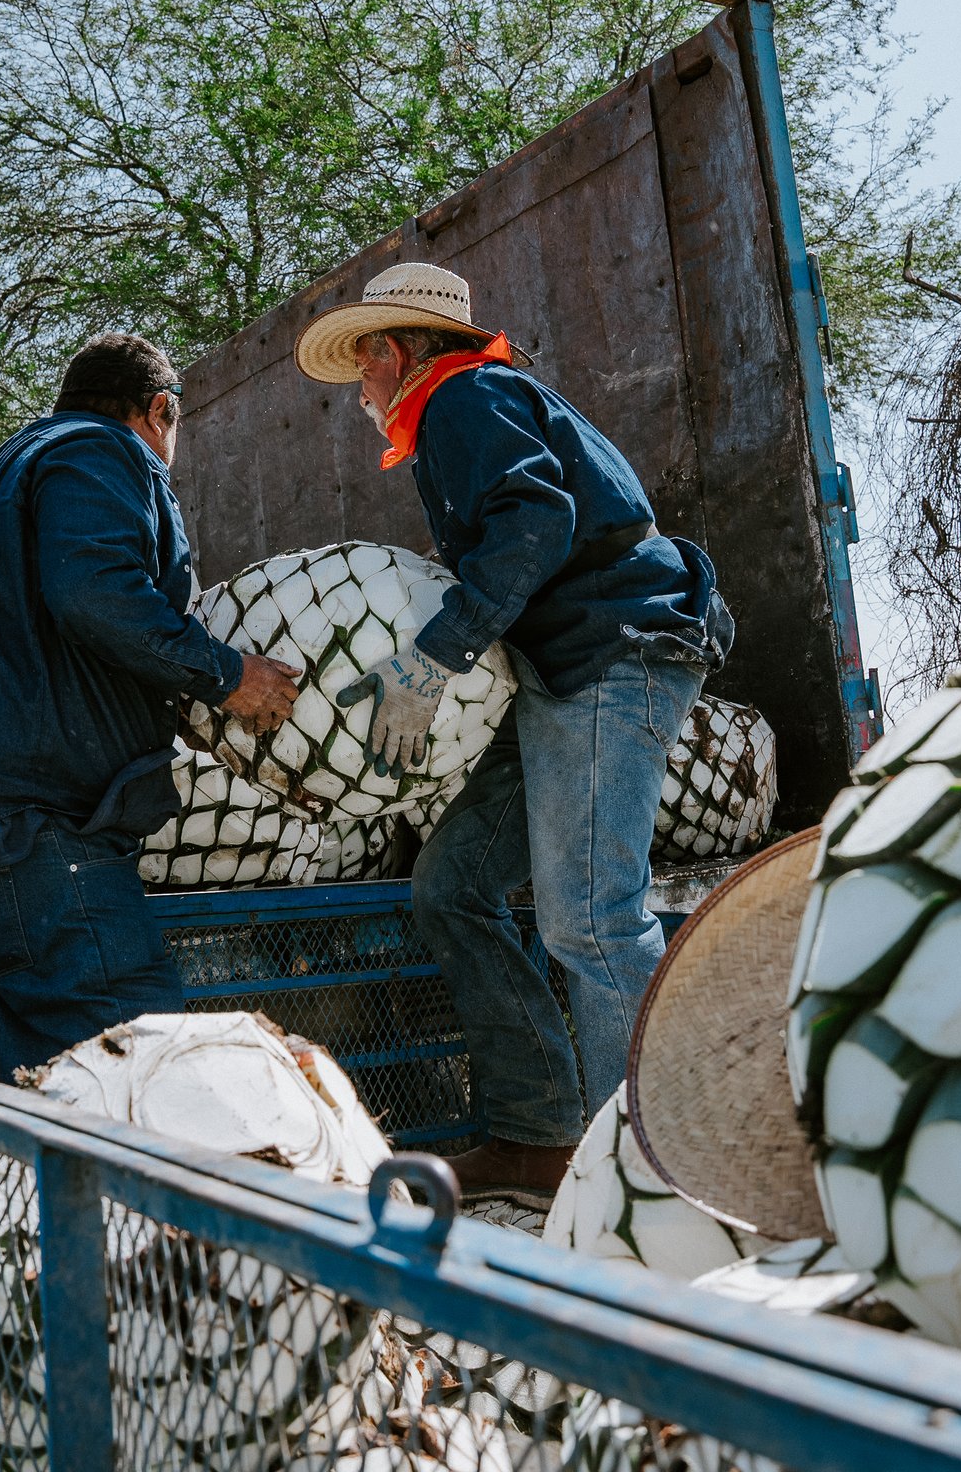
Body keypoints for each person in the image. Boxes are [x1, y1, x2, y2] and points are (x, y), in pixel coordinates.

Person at [295, 263, 734, 1206]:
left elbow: (536, 522)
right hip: (556, 671)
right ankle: (540, 1143)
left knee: (594, 917)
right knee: (452, 888)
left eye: (365, 369)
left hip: (614, 658)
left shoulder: (463, 395)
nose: (361, 392)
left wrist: (429, 660)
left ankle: (653, 1177)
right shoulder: (476, 404)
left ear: (392, 350)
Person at [0, 333, 301, 1079]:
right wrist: (225, 674)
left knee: (10, 1070)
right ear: (160, 411)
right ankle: (124, 1201)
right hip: (17, 828)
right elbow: (94, 590)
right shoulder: (103, 454)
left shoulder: (20, 464)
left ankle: (11, 1196)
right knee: (125, 1043)